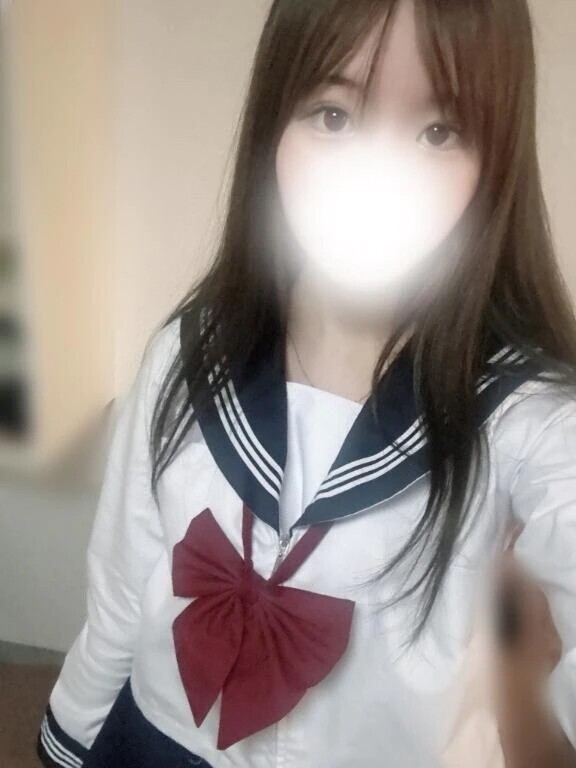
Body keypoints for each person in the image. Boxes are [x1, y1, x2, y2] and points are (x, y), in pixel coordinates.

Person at [37, 1, 576, 766]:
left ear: (495, 163)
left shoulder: (527, 422)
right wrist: (70, 738)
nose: (377, 178)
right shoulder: (187, 356)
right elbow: (122, 587)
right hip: (156, 741)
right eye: (333, 115)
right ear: (274, 126)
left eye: (438, 131)